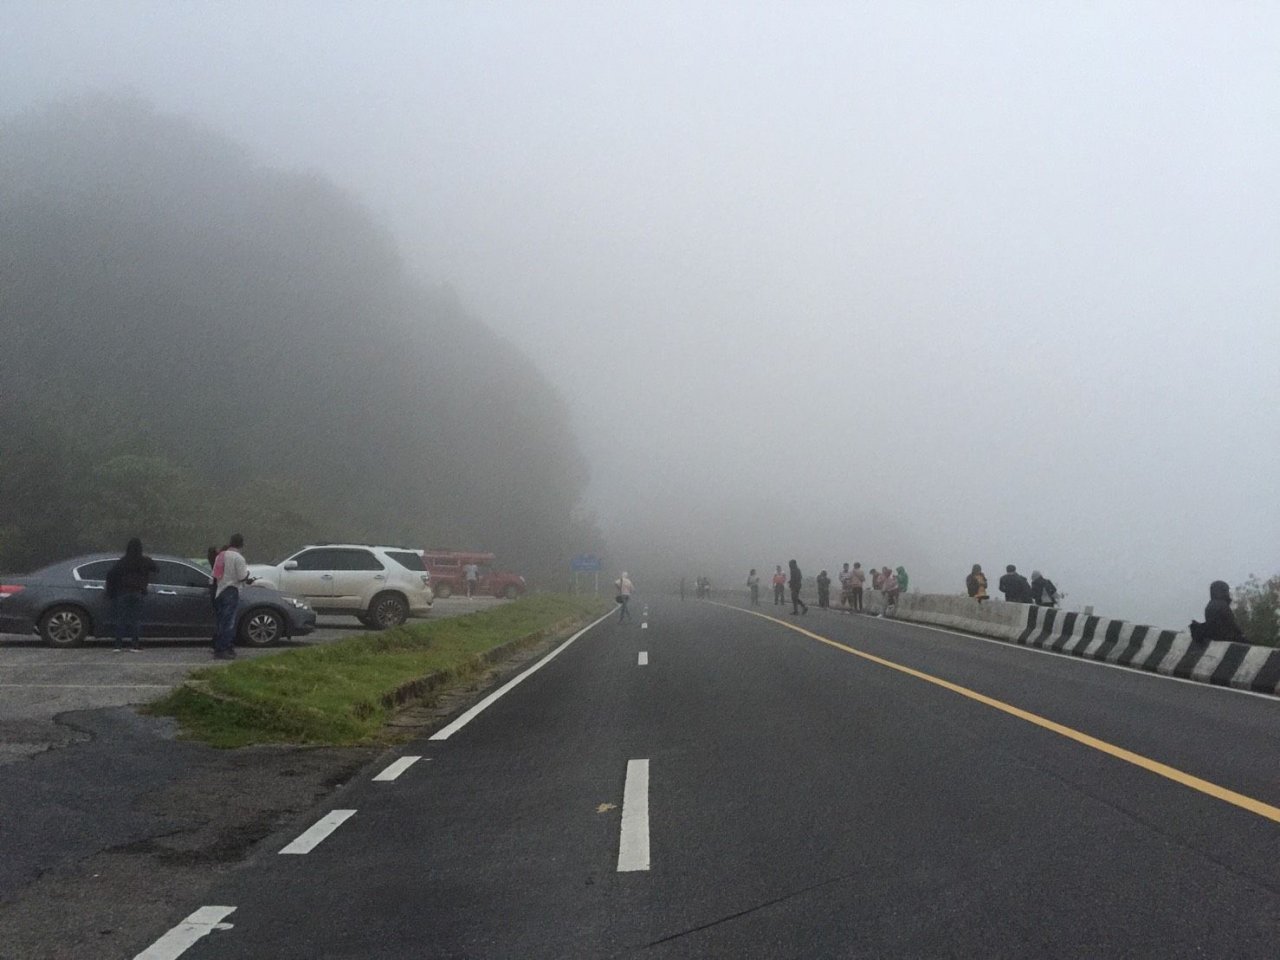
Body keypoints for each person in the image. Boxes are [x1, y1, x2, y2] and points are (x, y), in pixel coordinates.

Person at [104, 538, 157, 653]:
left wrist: (111, 590)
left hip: (123, 592)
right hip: (138, 592)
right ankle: (135, 645)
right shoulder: (144, 561)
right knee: (136, 620)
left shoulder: (123, 561)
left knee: (121, 619)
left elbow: (111, 574)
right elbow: (156, 569)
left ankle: (118, 645)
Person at [212, 534, 253, 660]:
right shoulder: (239, 558)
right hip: (232, 590)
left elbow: (215, 573)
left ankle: (218, 646)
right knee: (229, 621)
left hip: (220, 589)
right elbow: (241, 577)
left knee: (220, 621)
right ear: (241, 544)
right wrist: (248, 576)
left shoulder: (221, 555)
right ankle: (225, 648)